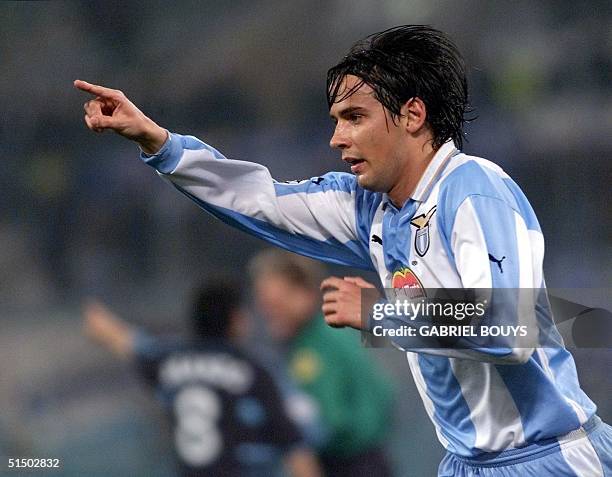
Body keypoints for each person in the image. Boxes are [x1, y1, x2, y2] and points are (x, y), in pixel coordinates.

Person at [75, 24, 612, 476]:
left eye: (354, 117)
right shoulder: (369, 208)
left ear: (412, 115)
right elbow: (261, 199)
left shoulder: (472, 190)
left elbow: (509, 325)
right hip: (464, 462)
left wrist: (379, 313)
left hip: (550, 458)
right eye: (335, 120)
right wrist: (158, 143)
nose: (337, 137)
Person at [83, 281, 322, 477]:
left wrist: (100, 322)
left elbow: (131, 344)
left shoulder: (169, 360)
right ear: (236, 319)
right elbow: (294, 445)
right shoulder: (253, 369)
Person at [248, 248, 394, 477]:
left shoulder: (317, 347)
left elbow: (331, 421)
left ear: (304, 294)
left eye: (276, 305)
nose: (268, 315)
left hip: (349, 467)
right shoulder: (319, 338)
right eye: (265, 307)